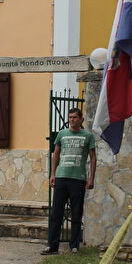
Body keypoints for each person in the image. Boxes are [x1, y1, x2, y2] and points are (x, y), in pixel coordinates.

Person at [42, 108, 97, 255]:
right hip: (61, 177)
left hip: (78, 179)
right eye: (70, 117)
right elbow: (56, 154)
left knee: (76, 213)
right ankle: (52, 246)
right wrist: (53, 174)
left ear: (81, 119)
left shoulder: (88, 136)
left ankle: (74, 245)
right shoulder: (62, 134)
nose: (72, 120)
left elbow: (93, 157)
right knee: (56, 213)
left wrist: (91, 178)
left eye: (74, 117)